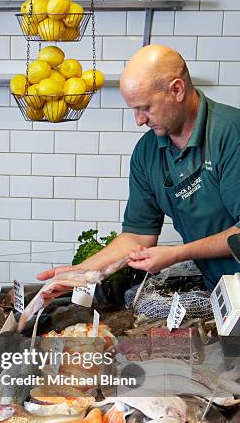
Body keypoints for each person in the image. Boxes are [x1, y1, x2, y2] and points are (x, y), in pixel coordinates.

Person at [38, 44, 240, 295]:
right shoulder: (147, 152)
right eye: (134, 109)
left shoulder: (231, 134)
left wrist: (177, 253)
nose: (139, 120)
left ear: (176, 89)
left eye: (145, 108)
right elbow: (137, 236)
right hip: (222, 291)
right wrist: (79, 272)